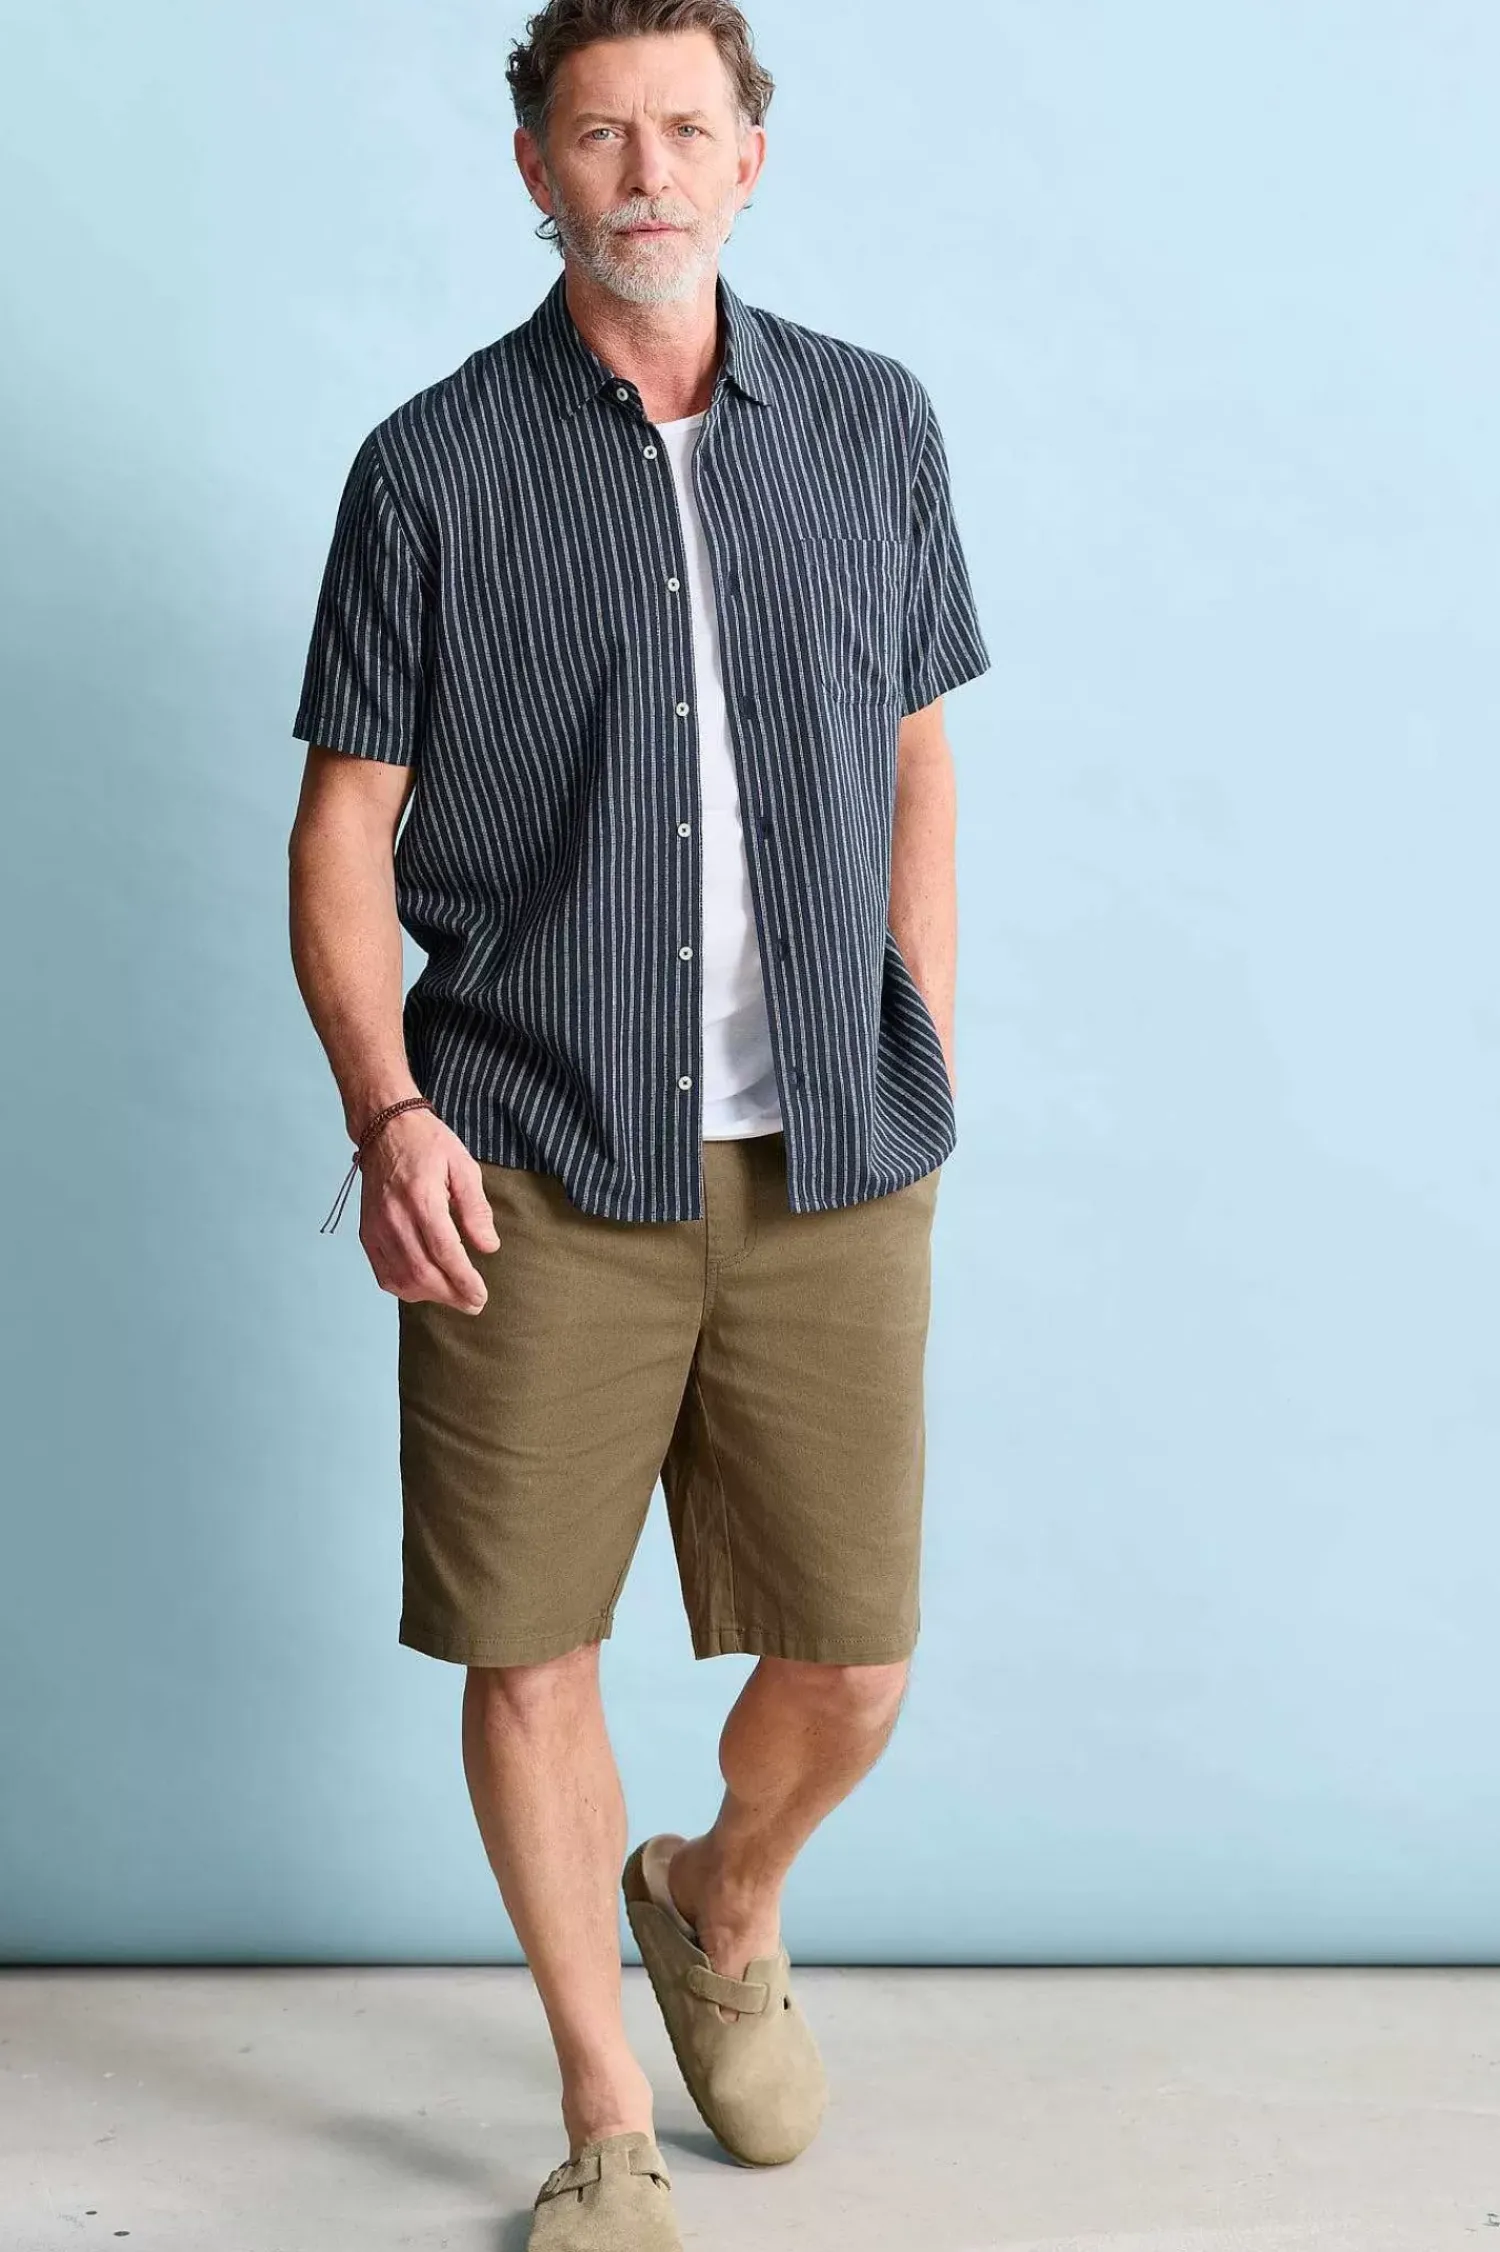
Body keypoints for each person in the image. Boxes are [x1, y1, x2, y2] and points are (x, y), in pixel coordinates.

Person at [287, 1, 990, 2242]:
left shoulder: (873, 424)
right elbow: (345, 821)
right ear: (536, 169)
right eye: (601, 132)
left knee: (855, 1657)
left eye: (688, 126)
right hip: (531, 1153)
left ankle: (715, 1895)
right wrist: (391, 1108)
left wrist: (914, 1025)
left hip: (829, 1154)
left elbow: (917, 747)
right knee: (531, 1647)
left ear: (752, 155)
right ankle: (601, 2104)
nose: (648, 170)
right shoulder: (428, 467)